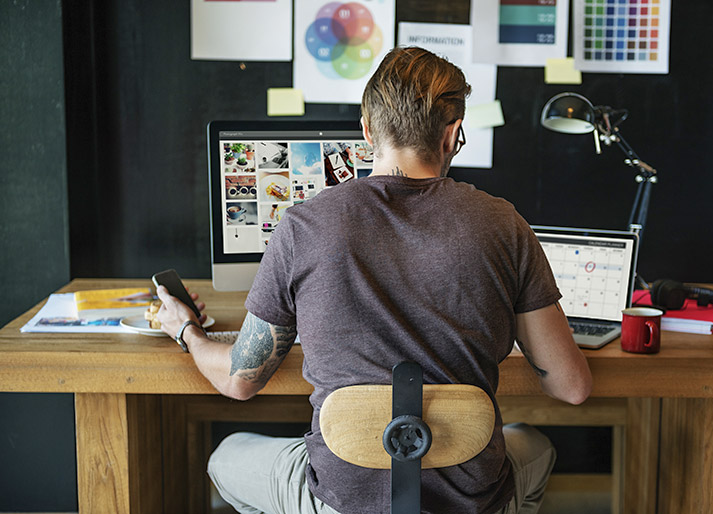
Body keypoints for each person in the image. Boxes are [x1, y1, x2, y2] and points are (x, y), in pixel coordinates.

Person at [157, 46, 592, 514]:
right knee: (535, 446)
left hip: (341, 502)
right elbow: (571, 386)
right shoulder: (502, 224)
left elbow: (241, 380)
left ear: (366, 130)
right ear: (452, 134)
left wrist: (188, 332)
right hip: (472, 502)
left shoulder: (304, 226)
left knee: (226, 458)